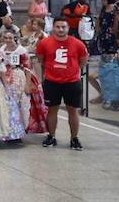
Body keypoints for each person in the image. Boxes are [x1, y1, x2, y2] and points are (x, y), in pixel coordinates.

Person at [37, 19, 88, 150]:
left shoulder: (78, 44)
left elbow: (83, 61)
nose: (60, 30)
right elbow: (41, 59)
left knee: (73, 111)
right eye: (58, 27)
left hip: (72, 82)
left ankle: (74, 138)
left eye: (63, 27)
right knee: (52, 110)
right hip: (52, 82)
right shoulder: (44, 43)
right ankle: (51, 136)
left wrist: (72, 71)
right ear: (53, 28)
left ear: (68, 28)